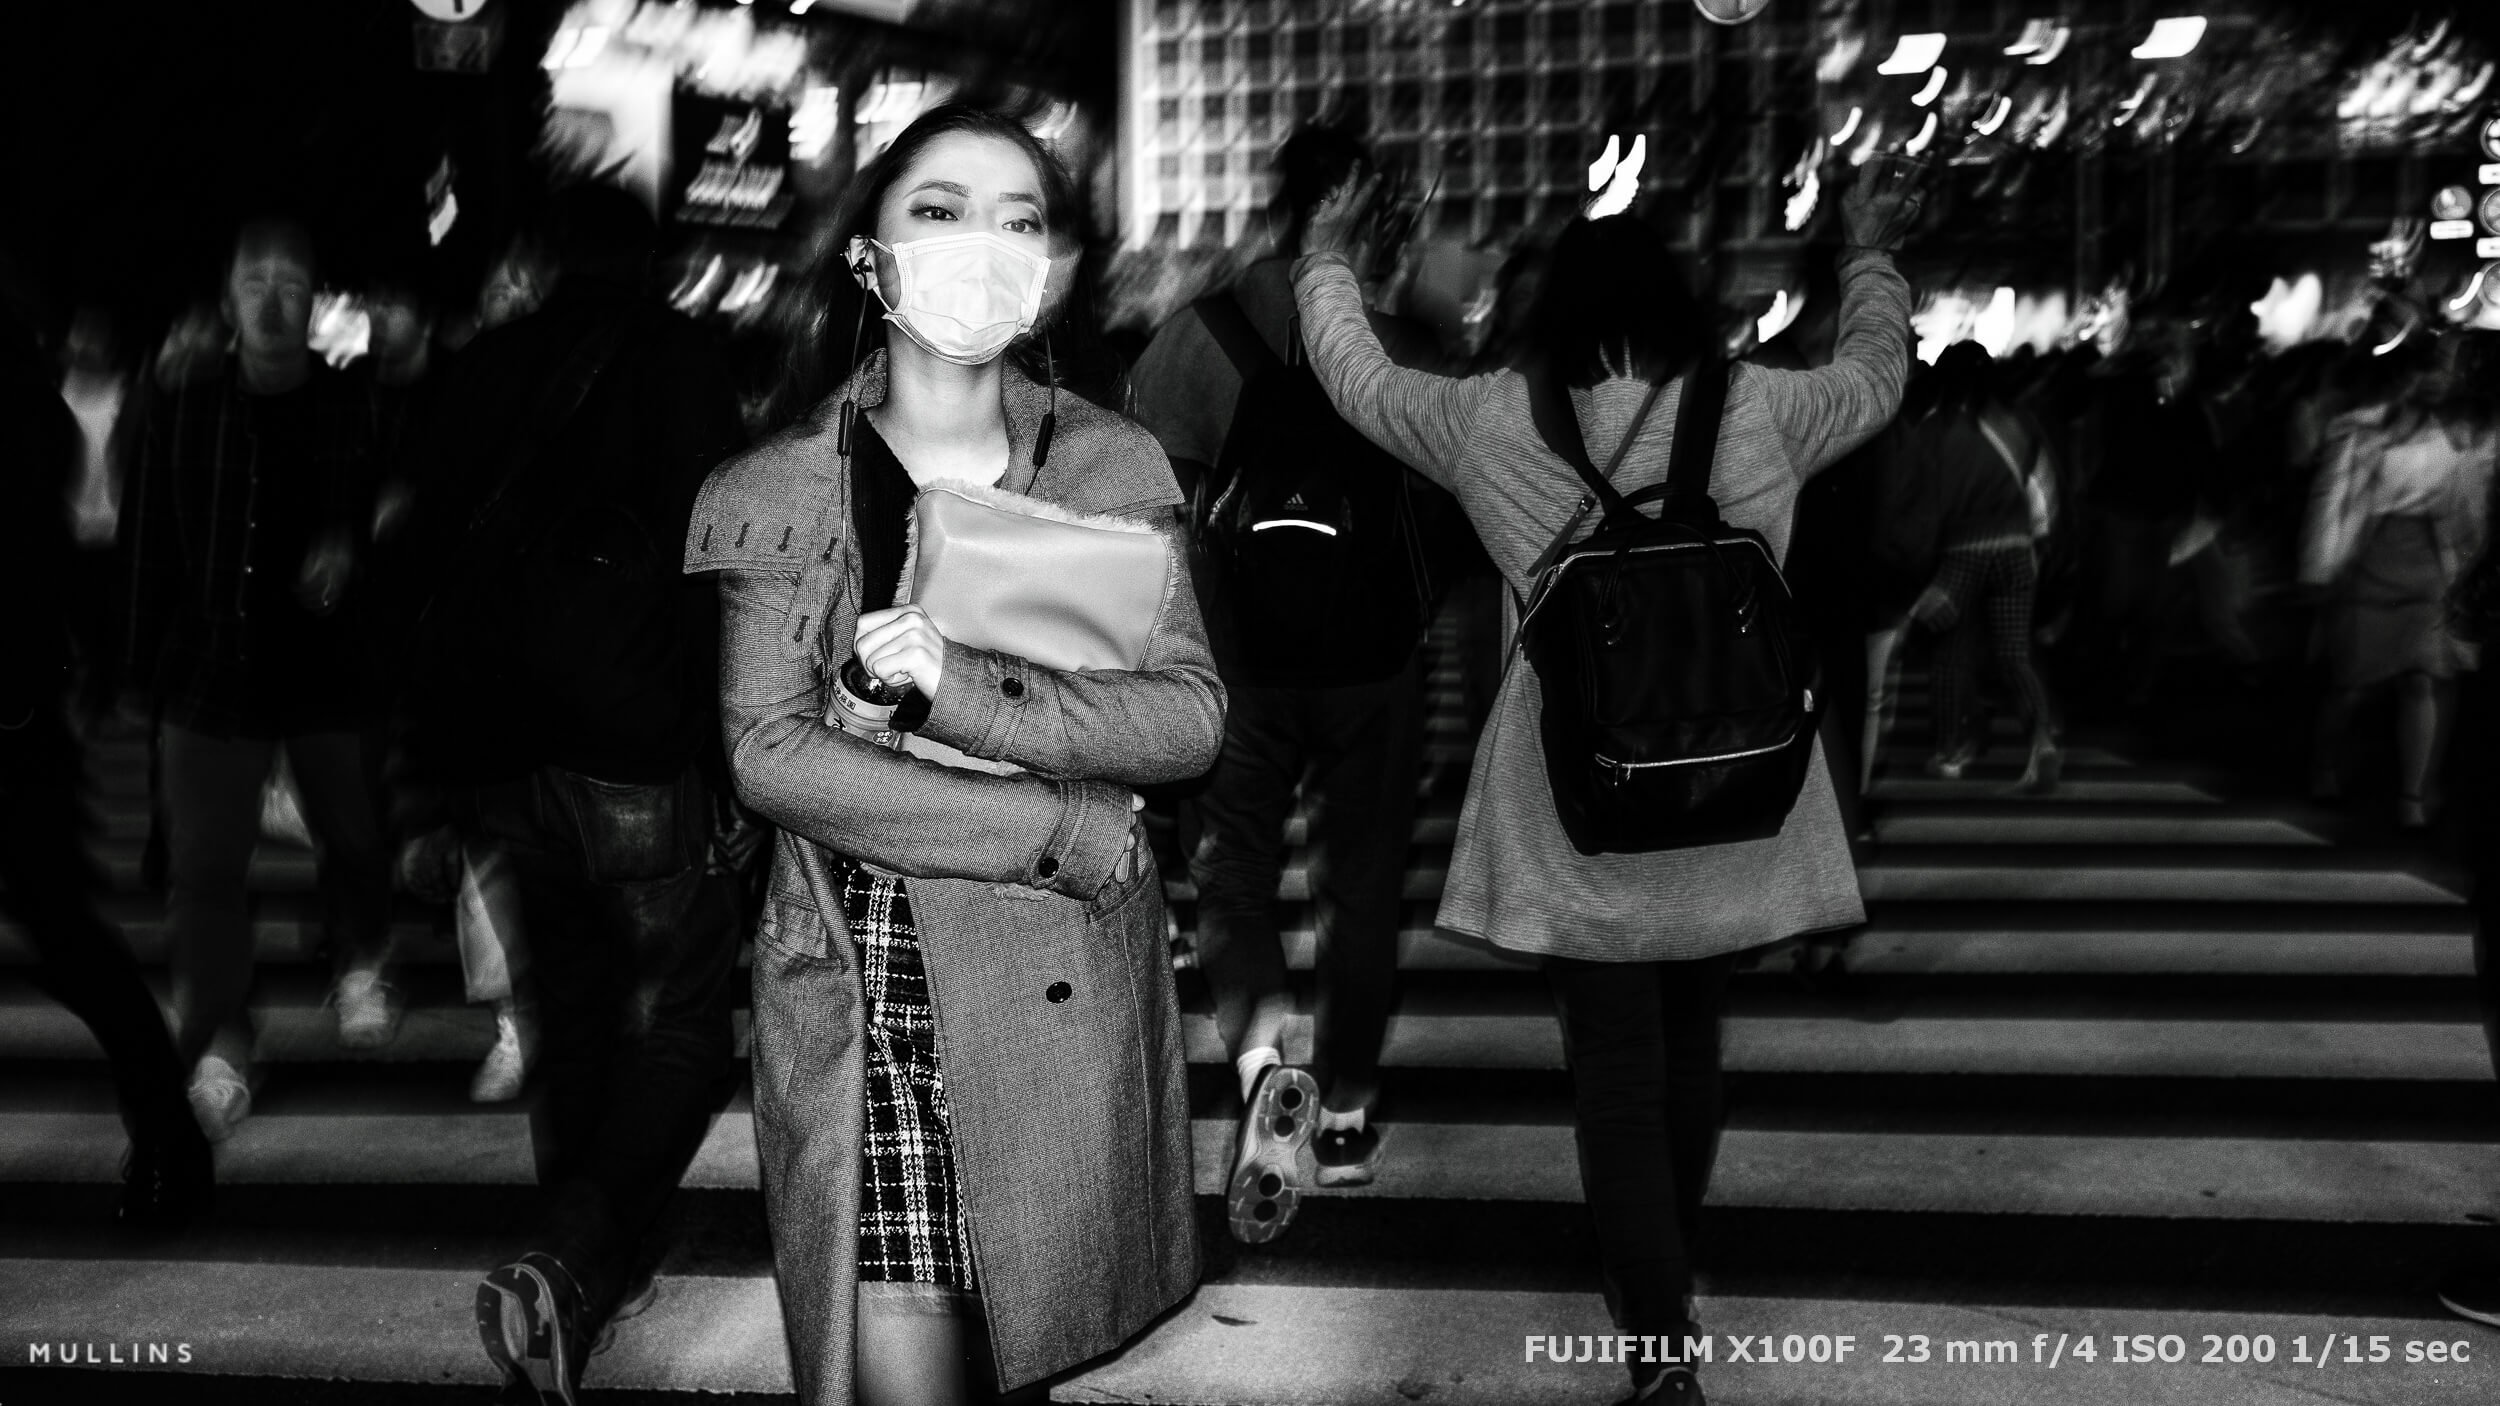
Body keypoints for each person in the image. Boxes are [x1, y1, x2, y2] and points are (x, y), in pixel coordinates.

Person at [1289, 170, 1920, 1405]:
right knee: (1694, 1041)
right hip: (1736, 785)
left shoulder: (1490, 419)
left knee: (1615, 1069)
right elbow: (1879, 371)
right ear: (1680, 304)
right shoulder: (1761, 411)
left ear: (1554, 308)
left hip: (1583, 796)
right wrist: (1872, 257)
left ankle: (1656, 1332)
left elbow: (1353, 376)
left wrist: (1324, 256)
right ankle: (1661, 1269)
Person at [688, 104, 1220, 1406]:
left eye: (1017, 217)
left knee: (1027, 1350)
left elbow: (1187, 714)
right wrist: (1059, 826)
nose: (980, 244)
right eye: (939, 209)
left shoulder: (1103, 463)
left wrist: (960, 687)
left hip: (1060, 990)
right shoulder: (785, 486)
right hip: (866, 979)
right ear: (866, 260)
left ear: (1050, 270)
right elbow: (772, 755)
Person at [403, 183, 748, 1406]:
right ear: (653, 257)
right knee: (690, 1018)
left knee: (571, 1000)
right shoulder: (682, 361)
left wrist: (429, 771)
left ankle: (585, 1238)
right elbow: (710, 560)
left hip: (500, 746)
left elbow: (422, 556)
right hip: (631, 734)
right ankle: (584, 1249)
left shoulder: (482, 365)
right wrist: (723, 745)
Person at [1127, 121, 1439, 1240]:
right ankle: (1345, 1108)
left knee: (1234, 876)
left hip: (1240, 662)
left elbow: (1151, 511)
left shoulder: (1195, 337)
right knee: (1360, 887)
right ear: (1351, 205)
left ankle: (1266, 1064)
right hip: (1373, 663)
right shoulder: (1399, 340)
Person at [115, 215, 397, 1140]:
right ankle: (222, 1041)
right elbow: (148, 540)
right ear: (229, 297)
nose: (273, 298)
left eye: (289, 281)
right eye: (255, 281)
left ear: (312, 299)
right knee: (202, 872)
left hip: (326, 670)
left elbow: (385, 514)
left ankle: (359, 954)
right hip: (210, 669)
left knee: (353, 833)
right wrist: (138, 670)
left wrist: (347, 554)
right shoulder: (186, 404)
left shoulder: (350, 402)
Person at [2, 280, 213, 1233]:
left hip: (12, 720)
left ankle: (170, 1135)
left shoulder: (24, 400)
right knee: (65, 936)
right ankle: (169, 1136)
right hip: (22, 711)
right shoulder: (32, 397)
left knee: (67, 936)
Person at [2302, 334, 2498, 829]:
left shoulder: (2471, 435)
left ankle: (2414, 794)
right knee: (2351, 683)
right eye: (2429, 371)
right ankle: (2323, 763)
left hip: (2434, 562)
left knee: (2425, 677)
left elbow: (2474, 507)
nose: (2437, 381)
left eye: (2446, 372)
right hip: (2369, 560)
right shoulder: (2361, 430)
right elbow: (2332, 500)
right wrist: (2320, 568)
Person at [1903, 341, 2063, 791]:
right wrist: (2042, 541)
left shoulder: (1934, 429)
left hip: (1959, 555)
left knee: (1951, 653)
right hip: (2016, 550)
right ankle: (2042, 740)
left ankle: (1953, 750)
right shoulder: (2018, 424)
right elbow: (2041, 487)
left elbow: (1922, 503)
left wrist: (1921, 562)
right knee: (2014, 654)